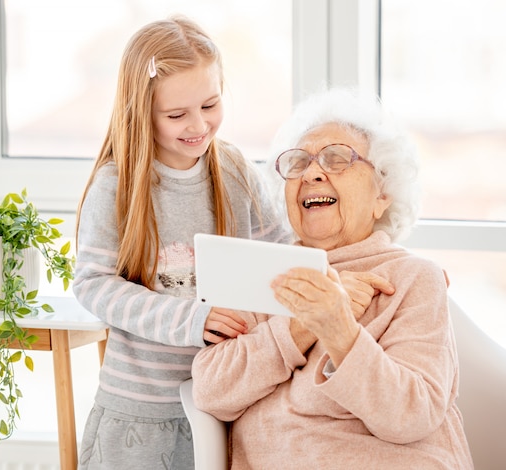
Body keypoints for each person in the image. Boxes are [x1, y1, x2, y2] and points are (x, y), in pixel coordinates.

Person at [191, 88, 474, 469]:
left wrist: (341, 331)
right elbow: (211, 390)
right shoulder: (263, 272)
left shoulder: (414, 278)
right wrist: (302, 325)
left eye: (337, 159)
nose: (312, 172)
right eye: (298, 163)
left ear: (382, 195)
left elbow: (413, 414)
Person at [73, 16, 291, 469]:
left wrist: (389, 268)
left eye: (210, 105)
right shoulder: (116, 186)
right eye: (176, 115)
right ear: (140, 111)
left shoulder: (234, 171)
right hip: (141, 413)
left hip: (231, 406)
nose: (199, 125)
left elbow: (285, 257)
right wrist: (192, 318)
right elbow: (93, 284)